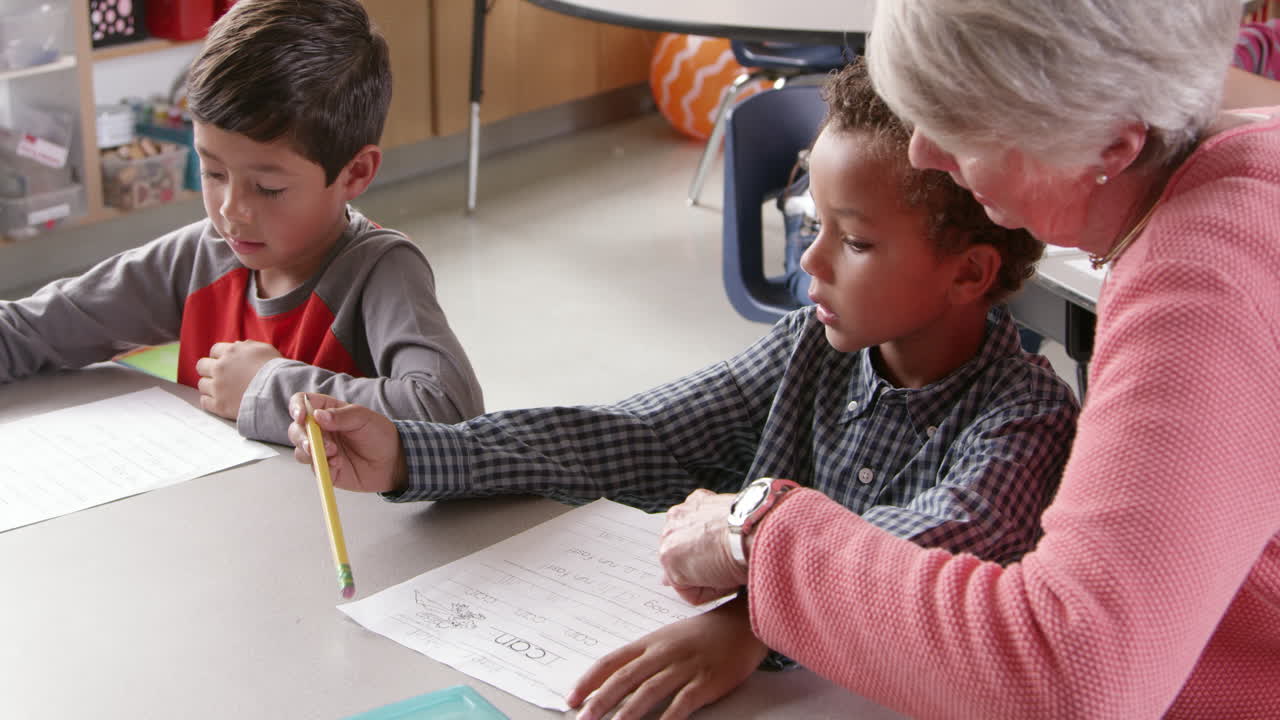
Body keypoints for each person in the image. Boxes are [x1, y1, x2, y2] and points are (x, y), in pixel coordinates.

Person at [288, 59, 1080, 720]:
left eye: (858, 241)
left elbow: (916, 551)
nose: (810, 263)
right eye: (812, 225)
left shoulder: (1029, 424)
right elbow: (640, 433)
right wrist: (414, 453)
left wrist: (751, 621)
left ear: (969, 272)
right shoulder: (811, 347)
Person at [658, 1, 1280, 718]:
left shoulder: (1202, 291)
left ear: (1110, 145)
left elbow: (1067, 675)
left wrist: (759, 531)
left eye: (959, 124)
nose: (924, 150)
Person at [0, 0, 484, 444]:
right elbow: (34, 328)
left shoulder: (381, 272)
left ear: (355, 173)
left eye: (268, 187)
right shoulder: (199, 256)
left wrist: (268, 387)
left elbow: (450, 413)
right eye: (212, 172)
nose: (231, 209)